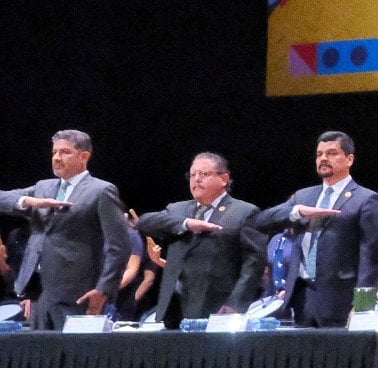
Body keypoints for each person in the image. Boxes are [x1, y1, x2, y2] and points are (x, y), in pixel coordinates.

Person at [0, 130, 131, 330]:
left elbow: (119, 246)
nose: (56, 158)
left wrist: (103, 290)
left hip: (78, 295)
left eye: (65, 152)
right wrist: (28, 201)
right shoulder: (43, 187)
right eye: (54, 152)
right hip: (39, 295)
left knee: (77, 357)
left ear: (84, 156)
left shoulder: (101, 191)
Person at [253, 131, 378, 328]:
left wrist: (363, 305)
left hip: (342, 300)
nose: (323, 158)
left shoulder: (365, 199)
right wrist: (296, 212)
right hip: (301, 298)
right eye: (319, 154)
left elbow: (371, 256)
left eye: (331, 153)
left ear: (349, 159)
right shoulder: (303, 197)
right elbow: (261, 221)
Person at [134, 153, 266, 323]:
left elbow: (254, 265)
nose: (196, 179)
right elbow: (145, 222)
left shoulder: (244, 212)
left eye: (203, 174)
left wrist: (235, 304)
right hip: (174, 307)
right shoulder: (177, 210)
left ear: (224, 179)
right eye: (192, 174)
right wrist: (187, 223)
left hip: (216, 306)